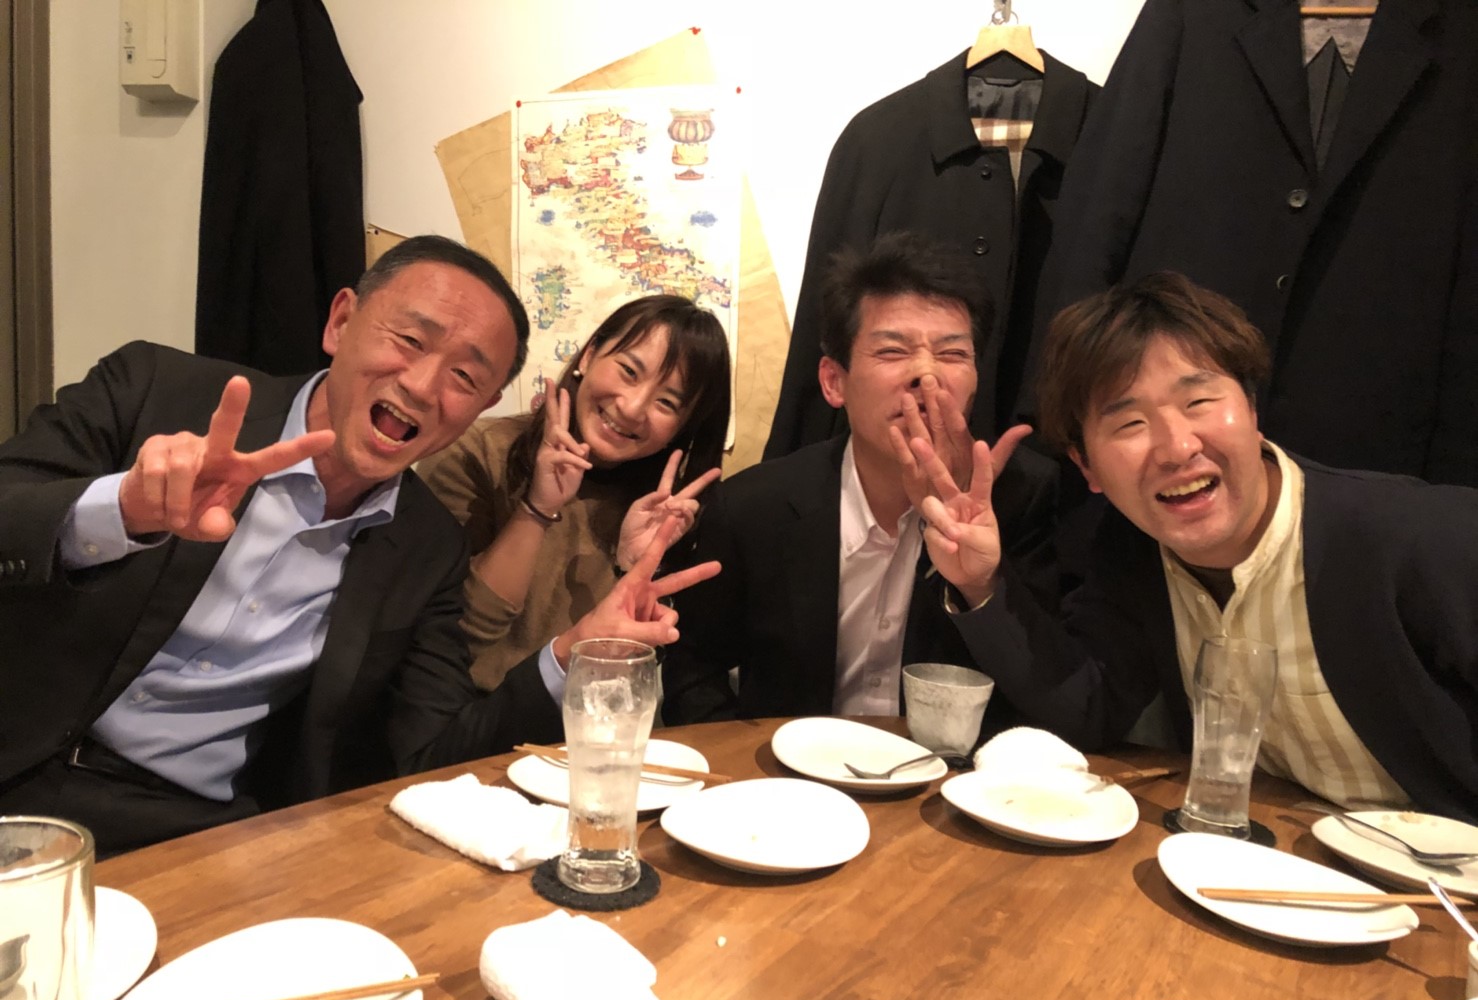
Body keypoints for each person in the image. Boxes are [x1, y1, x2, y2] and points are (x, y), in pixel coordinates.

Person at [0, 235, 718, 854]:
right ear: (341, 321)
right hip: (18, 764)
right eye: (410, 340)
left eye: (465, 377)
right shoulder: (157, 391)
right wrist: (121, 510)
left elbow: (431, 750)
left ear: (485, 401)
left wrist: (575, 651)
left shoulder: (426, 548)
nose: (424, 385)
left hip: (200, 833)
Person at [910, 271, 1478, 820]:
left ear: (1252, 410)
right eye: (1130, 424)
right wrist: (980, 583)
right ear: (1087, 467)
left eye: (1199, 402)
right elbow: (1090, 707)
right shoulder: (1135, 547)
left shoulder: (1420, 539)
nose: (1177, 447)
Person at [661, 232, 1058, 732]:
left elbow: (1050, 694)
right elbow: (694, 671)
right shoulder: (754, 506)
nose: (926, 375)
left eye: (953, 353)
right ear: (834, 381)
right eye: (892, 351)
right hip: (788, 769)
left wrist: (979, 587)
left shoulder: (1021, 497)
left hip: (952, 774)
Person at [420, 296, 731, 691]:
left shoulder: (664, 506)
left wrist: (632, 569)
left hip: (597, 717)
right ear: (589, 355)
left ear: (684, 427)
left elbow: (638, 672)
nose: (633, 408)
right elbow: (454, 638)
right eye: (629, 371)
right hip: (473, 716)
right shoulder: (476, 454)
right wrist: (537, 509)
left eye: (667, 402)